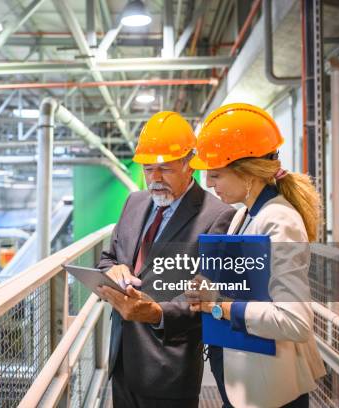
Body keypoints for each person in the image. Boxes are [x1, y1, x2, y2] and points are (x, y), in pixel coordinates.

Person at [187, 103, 326, 408]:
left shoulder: (279, 221)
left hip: (269, 394)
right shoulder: (245, 215)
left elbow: (294, 321)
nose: (209, 183)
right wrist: (209, 288)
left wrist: (219, 307)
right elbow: (248, 286)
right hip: (243, 382)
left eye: (216, 174)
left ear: (247, 173)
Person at [96, 111, 236, 408]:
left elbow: (210, 297)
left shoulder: (217, 217)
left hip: (168, 369)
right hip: (122, 359)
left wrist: (155, 312)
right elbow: (108, 258)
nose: (155, 178)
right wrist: (114, 271)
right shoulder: (135, 202)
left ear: (189, 165)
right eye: (148, 169)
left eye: (165, 169)